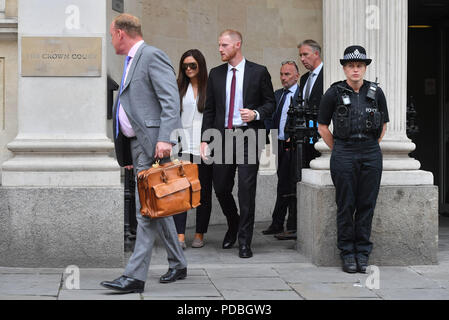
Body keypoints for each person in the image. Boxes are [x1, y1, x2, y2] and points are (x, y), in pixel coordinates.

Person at [101, 14, 187, 294]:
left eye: (112, 33)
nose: (111, 38)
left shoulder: (151, 56)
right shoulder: (129, 60)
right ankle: (178, 262)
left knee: (145, 211)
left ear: (121, 33)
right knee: (157, 206)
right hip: (137, 145)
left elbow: (170, 100)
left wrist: (165, 139)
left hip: (152, 145)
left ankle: (135, 275)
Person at [201, 29, 275, 258]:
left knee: (246, 190)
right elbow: (210, 110)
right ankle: (233, 223)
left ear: (237, 45)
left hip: (249, 137)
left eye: (224, 45)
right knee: (221, 188)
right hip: (223, 138)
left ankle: (245, 241)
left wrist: (255, 113)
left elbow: (271, 103)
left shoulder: (259, 72)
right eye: (219, 45)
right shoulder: (215, 74)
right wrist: (205, 140)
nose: (220, 49)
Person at [317, 45, 389, 274]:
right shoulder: (334, 93)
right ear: (344, 68)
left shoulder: (376, 92)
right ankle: (347, 253)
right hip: (344, 152)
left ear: (365, 68)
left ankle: (362, 254)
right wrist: (338, 149)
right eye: (351, 66)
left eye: (359, 66)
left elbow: (384, 124)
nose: (355, 70)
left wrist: (369, 146)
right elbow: (322, 126)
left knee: (366, 205)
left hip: (370, 152)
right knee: (346, 205)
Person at [173, 49, 213, 249]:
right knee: (181, 192)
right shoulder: (178, 87)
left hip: (204, 147)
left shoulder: (210, 88)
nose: (188, 69)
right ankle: (180, 234)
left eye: (193, 65)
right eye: (185, 66)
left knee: (202, 193)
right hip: (181, 147)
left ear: (200, 66)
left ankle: (199, 233)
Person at [262, 61, 300, 238]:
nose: (284, 78)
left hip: (294, 146)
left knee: (291, 184)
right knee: (282, 184)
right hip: (279, 144)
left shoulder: (301, 95)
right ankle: (278, 223)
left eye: (288, 74)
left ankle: (290, 224)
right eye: (282, 74)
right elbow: (269, 118)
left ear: (296, 76)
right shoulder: (277, 95)